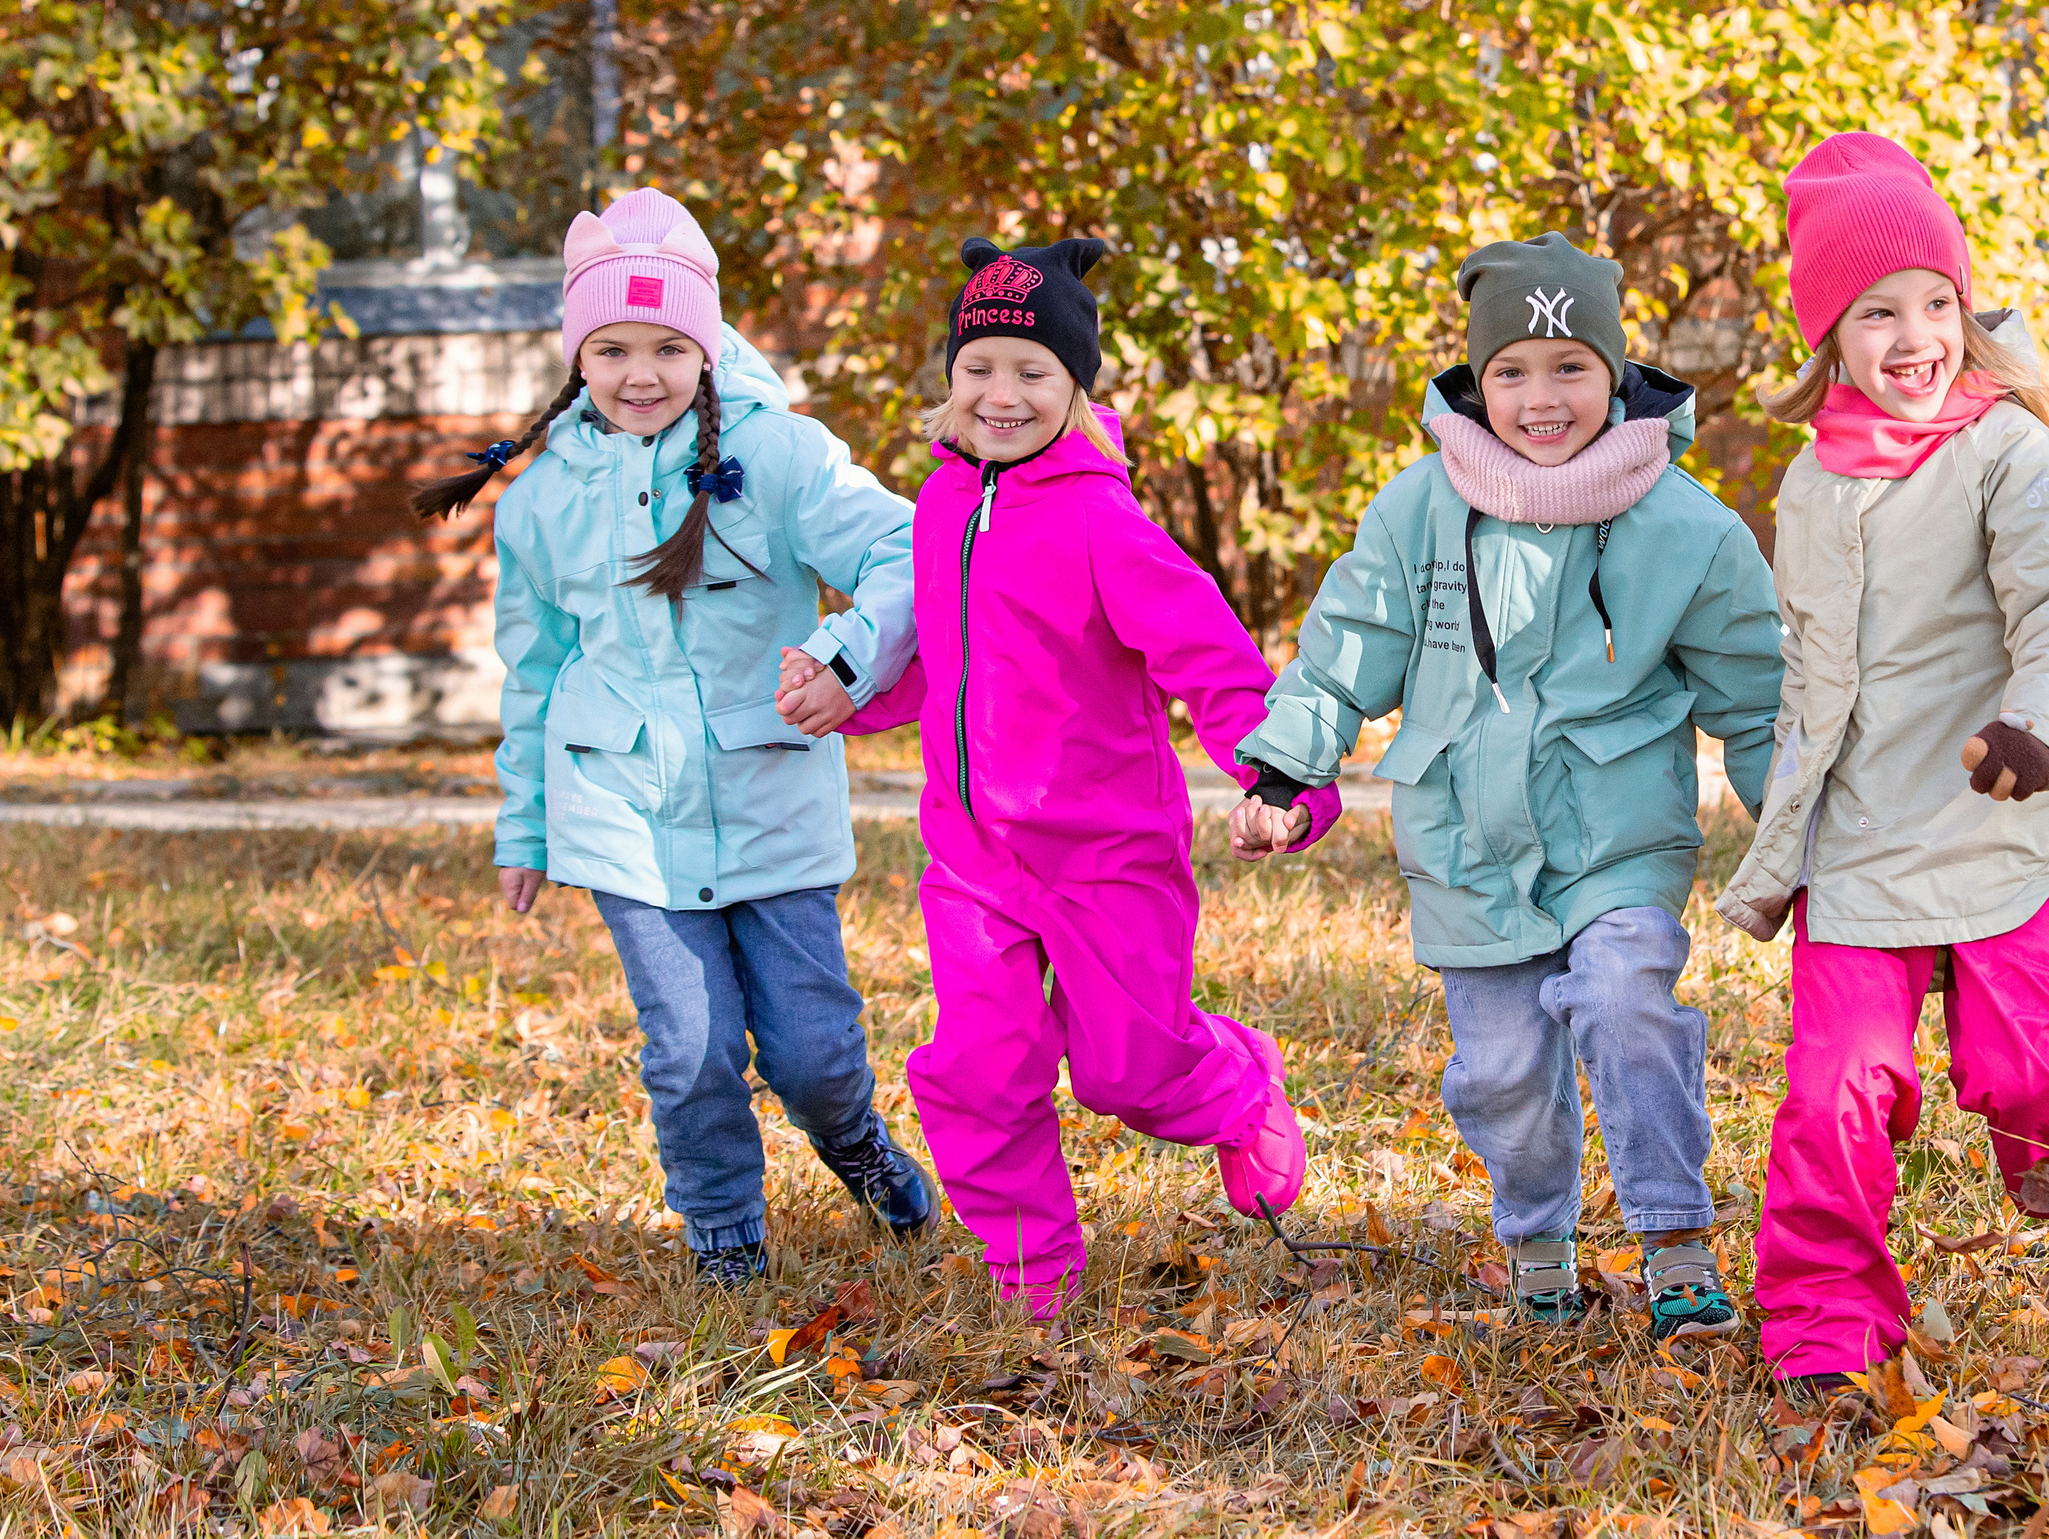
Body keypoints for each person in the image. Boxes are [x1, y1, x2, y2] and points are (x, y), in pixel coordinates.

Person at [1229, 233, 1784, 1341]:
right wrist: (1288, 766)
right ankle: (1538, 1246)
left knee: (1627, 1001)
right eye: (1512, 372)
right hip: (1463, 841)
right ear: (1476, 385)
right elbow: (1346, 649)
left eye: (1571, 365)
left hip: (1615, 833)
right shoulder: (1417, 509)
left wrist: (1796, 829)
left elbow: (1757, 695)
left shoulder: (1685, 524)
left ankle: (1674, 1241)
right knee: (1501, 1078)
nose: (1542, 397)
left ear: (1617, 373)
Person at [790, 236, 1341, 1320]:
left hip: (1107, 854)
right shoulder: (942, 506)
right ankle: (1033, 1275)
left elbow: (1212, 661)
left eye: (1032, 372)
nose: (1002, 395)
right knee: (979, 1070)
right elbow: (946, 666)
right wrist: (850, 699)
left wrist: (1283, 780)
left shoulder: (1101, 522)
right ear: (949, 380)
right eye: (978, 369)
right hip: (973, 860)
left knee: (1128, 1072)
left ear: (1075, 387)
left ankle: (1236, 1088)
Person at [414, 186, 934, 1289]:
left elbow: (908, 551)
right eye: (610, 348)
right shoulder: (544, 497)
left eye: (664, 346)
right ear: (576, 357)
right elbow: (538, 671)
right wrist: (526, 825)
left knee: (813, 1055)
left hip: (771, 797)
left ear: (705, 346)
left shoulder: (783, 457)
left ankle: (858, 1147)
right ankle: (723, 1240)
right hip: (623, 811)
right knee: (690, 1051)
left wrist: (846, 662)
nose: (638, 373)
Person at [1716, 133, 2049, 1397]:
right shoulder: (1808, 482)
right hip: (1863, 834)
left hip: (2003, 805)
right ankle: (1824, 1324)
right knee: (1834, 1091)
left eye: (1933, 304)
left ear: (1964, 312)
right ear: (1830, 340)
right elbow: (1812, 675)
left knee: (2027, 1066)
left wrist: (2035, 723)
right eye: (1875, 314)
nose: (1912, 335)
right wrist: (1785, 813)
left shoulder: (2009, 451)